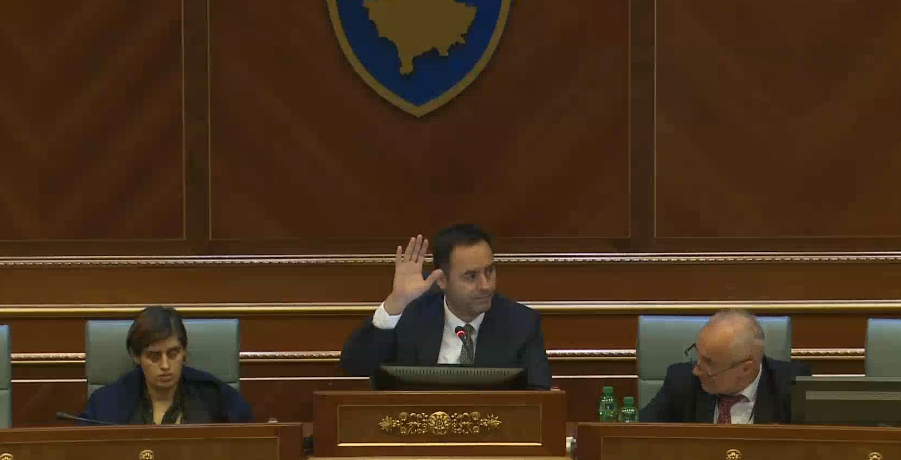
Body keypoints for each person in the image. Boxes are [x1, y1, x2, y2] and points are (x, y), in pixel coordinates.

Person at [340, 223, 552, 389]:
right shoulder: (412, 314)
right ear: (442, 280)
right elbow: (354, 368)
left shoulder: (521, 323)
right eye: (471, 276)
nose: (486, 285)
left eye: (489, 271)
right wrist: (396, 303)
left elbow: (540, 396)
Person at [81, 306, 253, 424]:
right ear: (136, 356)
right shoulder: (105, 404)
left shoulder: (217, 397)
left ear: (184, 352)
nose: (165, 365)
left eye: (173, 354)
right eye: (154, 356)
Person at [639, 309, 811, 424]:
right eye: (697, 354)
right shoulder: (681, 381)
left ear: (746, 368)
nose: (696, 370)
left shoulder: (792, 386)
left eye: (709, 363)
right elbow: (642, 435)